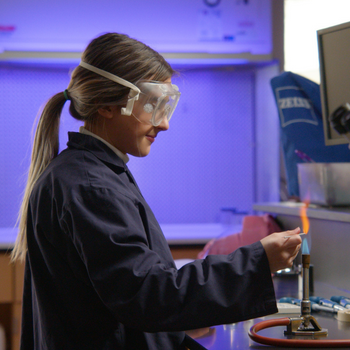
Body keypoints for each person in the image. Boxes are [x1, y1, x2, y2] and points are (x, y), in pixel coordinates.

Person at [12, 33, 302, 350]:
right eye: (153, 104)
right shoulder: (90, 185)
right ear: (108, 105)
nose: (163, 124)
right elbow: (147, 294)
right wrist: (258, 263)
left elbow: (119, 296)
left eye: (167, 106)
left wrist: (177, 325)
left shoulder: (92, 173)